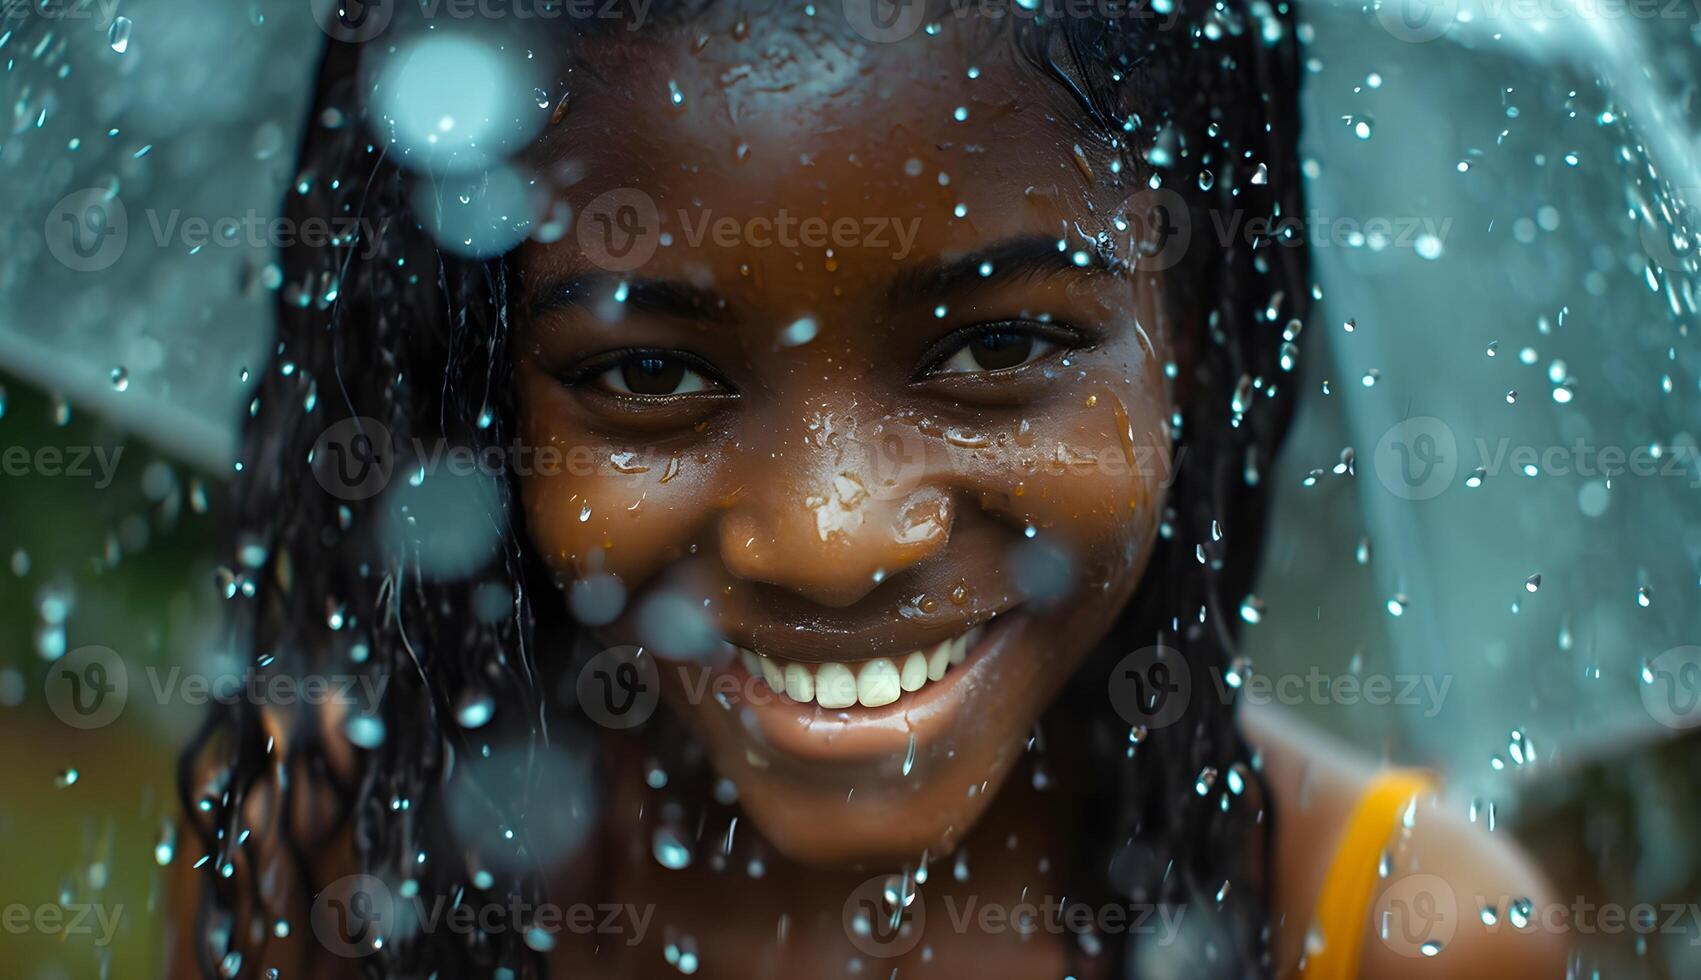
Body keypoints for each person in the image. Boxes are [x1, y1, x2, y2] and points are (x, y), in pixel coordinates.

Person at [176, 1, 1564, 977]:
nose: (831, 541)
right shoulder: (331, 862)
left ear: (1196, 339)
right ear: (478, 391)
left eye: (998, 348)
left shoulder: (1390, 934)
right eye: (649, 376)